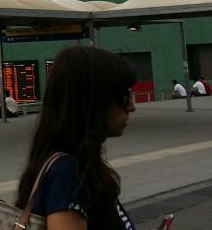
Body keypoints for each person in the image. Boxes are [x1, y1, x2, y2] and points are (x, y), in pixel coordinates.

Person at [15, 46, 137, 229]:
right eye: (123, 96)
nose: (131, 106)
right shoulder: (69, 174)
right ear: (93, 101)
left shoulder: (67, 164)